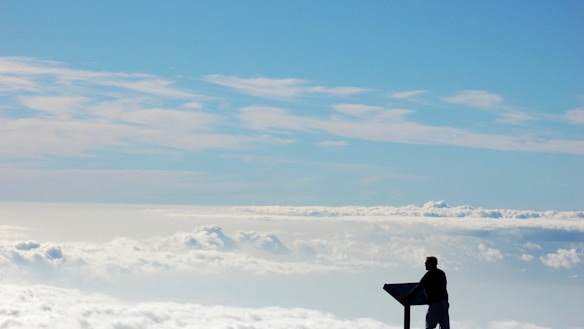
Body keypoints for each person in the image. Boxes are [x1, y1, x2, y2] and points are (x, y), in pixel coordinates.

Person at [404, 256, 450, 329]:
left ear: (430, 264)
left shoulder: (430, 274)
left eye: (426, 263)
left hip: (435, 303)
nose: (425, 265)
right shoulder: (441, 273)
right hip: (444, 302)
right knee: (444, 326)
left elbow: (420, 287)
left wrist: (408, 297)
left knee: (430, 326)